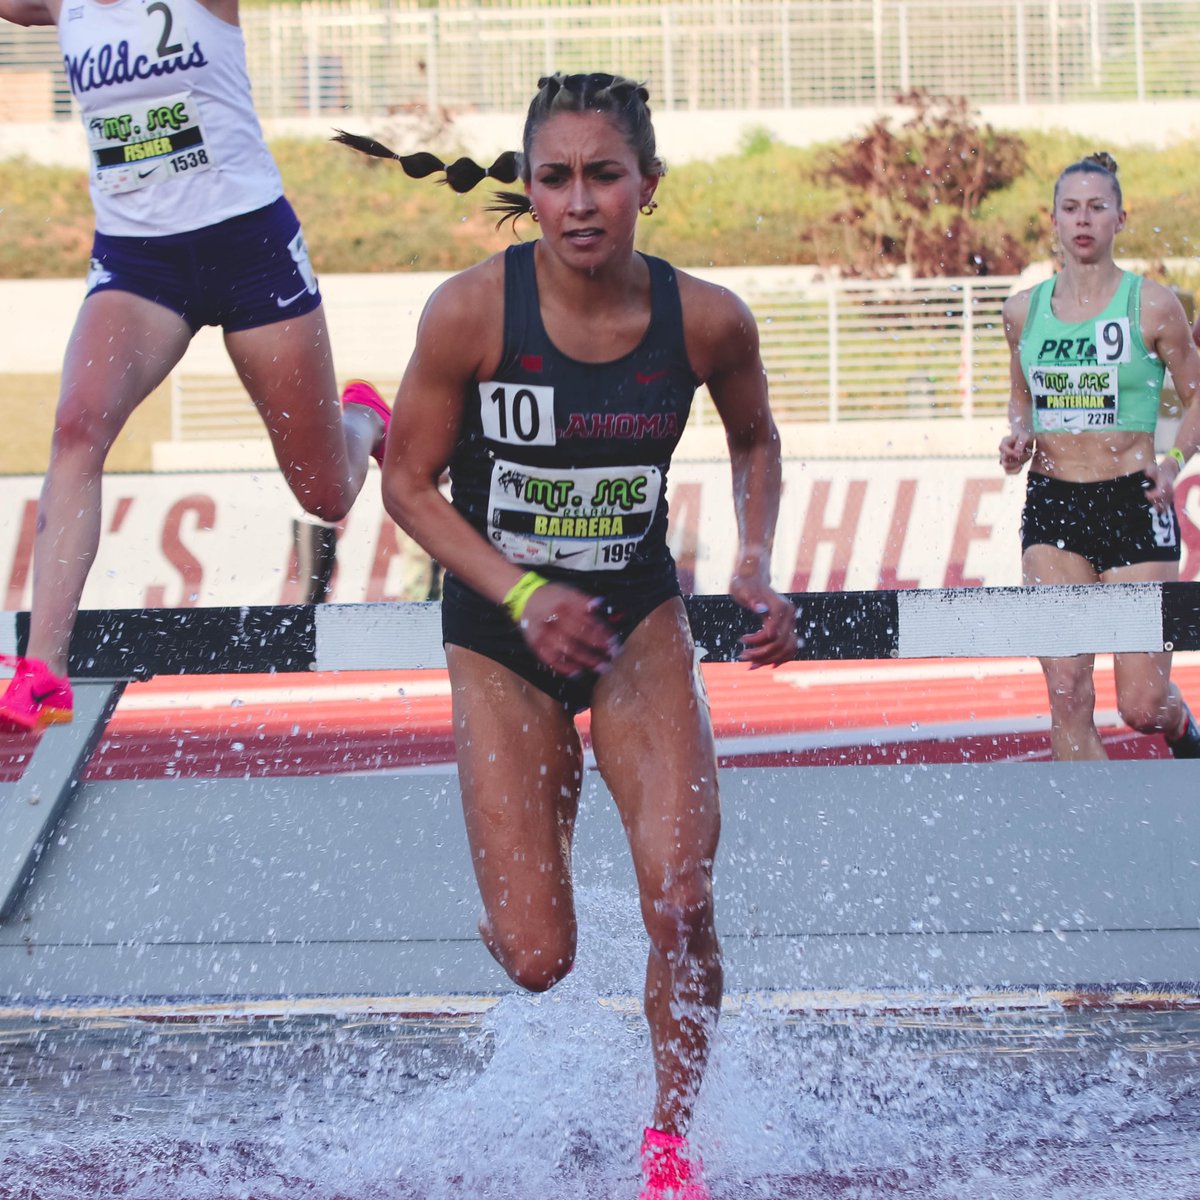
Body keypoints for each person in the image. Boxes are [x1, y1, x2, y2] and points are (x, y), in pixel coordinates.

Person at [344, 72, 796, 1199]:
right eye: (555, 178)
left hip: (636, 617)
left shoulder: (705, 320)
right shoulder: (467, 312)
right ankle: (514, 871)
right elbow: (407, 485)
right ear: (529, 189)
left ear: (650, 184)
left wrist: (751, 563)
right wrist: (521, 594)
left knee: (682, 900)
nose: (580, 201)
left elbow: (753, 440)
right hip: (505, 635)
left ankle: (670, 1148)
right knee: (542, 961)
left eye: (604, 175)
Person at [0, 0, 389, 730]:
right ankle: (44, 670)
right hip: (139, 264)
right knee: (77, 425)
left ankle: (364, 419)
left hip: (249, 251)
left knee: (327, 493)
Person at [1000, 152, 1200, 761]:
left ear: (1119, 219)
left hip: (1134, 502)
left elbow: (1196, 398)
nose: (1082, 219)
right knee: (1067, 689)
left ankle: (1181, 724)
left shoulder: (1154, 305)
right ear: (1054, 221)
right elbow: (1020, 397)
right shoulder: (1022, 310)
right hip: (1054, 503)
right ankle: (1091, 839)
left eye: (1096, 207)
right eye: (1070, 208)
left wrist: (1171, 460)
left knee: (1139, 705)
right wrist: (1018, 436)